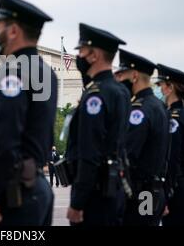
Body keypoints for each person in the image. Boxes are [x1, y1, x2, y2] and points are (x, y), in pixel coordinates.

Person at [0, 0, 57, 226]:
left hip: (11, 198)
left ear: (14, 30)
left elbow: (4, 141)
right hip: (34, 189)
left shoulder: (12, 75)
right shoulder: (44, 72)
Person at [65, 23, 130, 226]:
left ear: (94, 55)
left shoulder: (96, 95)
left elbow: (90, 153)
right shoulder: (121, 91)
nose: (79, 56)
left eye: (82, 50)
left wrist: (77, 202)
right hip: (112, 187)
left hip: (95, 193)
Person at [116, 49, 170, 226]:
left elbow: (129, 153)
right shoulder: (159, 106)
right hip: (154, 189)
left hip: (142, 192)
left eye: (122, 74)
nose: (120, 79)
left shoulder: (139, 110)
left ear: (135, 76)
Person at [154, 64, 184, 226]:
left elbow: (171, 158)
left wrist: (165, 193)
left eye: (160, 85)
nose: (158, 89)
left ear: (170, 87)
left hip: (177, 186)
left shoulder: (175, 118)